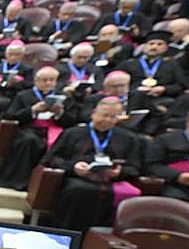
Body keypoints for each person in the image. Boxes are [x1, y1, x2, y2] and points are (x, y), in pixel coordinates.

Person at [42, 97, 146, 231]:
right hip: (77, 178)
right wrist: (74, 167)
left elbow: (134, 168)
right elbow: (52, 159)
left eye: (113, 117)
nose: (107, 120)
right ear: (94, 113)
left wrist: (119, 172)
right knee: (78, 190)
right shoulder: (72, 133)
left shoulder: (129, 138)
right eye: (105, 115)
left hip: (110, 181)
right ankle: (68, 235)